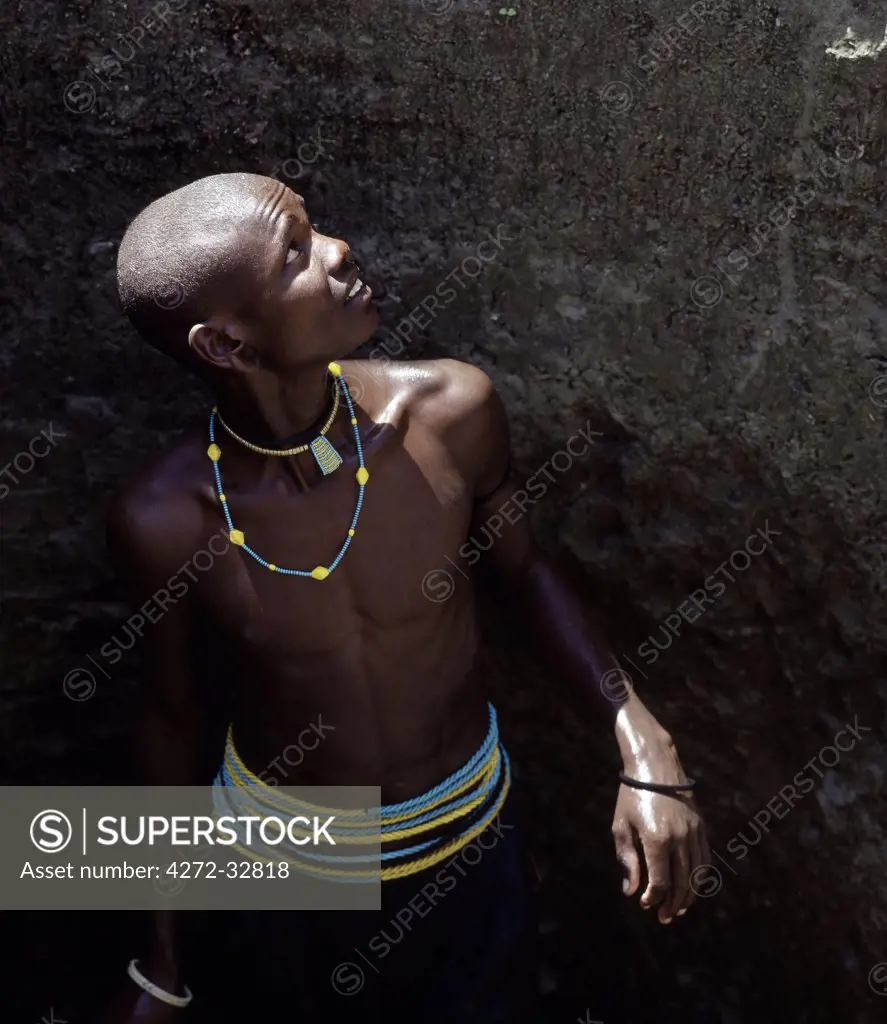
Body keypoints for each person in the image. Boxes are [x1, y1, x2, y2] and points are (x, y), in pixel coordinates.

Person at [103, 172, 709, 1023]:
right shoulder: (165, 519)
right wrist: (159, 963)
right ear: (225, 346)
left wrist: (641, 741)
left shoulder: (451, 412)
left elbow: (525, 575)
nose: (339, 251)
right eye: (296, 254)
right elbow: (170, 719)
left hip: (466, 846)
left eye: (315, 229)